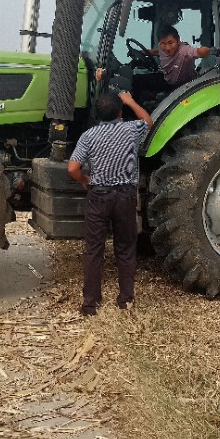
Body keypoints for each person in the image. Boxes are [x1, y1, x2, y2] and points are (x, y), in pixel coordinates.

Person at [67, 90, 153, 316]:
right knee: (125, 248)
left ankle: (90, 304)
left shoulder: (88, 136)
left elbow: (72, 168)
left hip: (98, 196)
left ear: (97, 114)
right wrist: (131, 101)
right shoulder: (132, 129)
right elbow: (148, 121)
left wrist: (85, 180)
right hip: (125, 196)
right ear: (119, 111)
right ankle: (126, 300)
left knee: (94, 249)